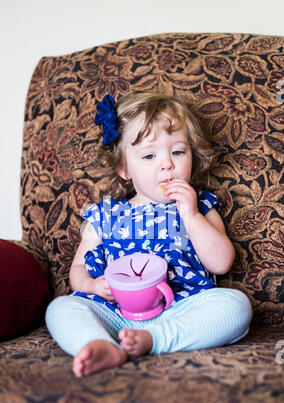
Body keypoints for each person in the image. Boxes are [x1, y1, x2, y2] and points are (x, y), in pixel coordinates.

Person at [46, 92, 252, 378]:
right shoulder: (105, 214)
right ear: (124, 168)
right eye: (149, 155)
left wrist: (190, 215)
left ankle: (155, 339)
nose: (167, 164)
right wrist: (93, 287)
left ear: (192, 155)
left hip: (181, 309)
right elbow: (78, 270)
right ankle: (99, 344)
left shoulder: (200, 206)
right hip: (114, 313)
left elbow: (221, 263)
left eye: (178, 152)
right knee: (61, 307)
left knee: (235, 306)